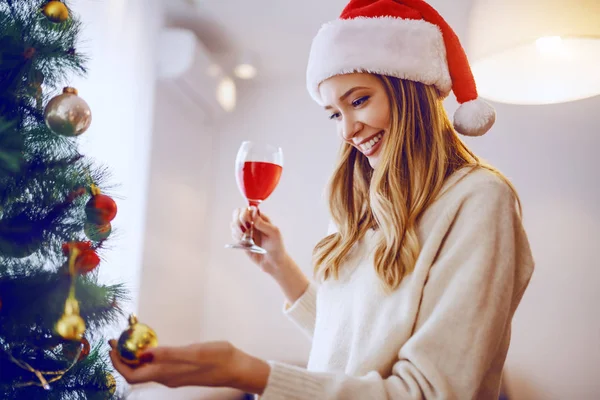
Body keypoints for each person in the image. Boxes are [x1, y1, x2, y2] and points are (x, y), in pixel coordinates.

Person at [109, 0, 535, 398]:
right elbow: (350, 347)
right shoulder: (364, 206)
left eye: (360, 100)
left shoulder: (479, 200)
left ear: (410, 90)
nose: (347, 130)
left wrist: (247, 371)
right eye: (334, 113)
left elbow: (428, 391)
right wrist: (280, 267)